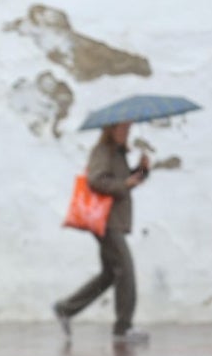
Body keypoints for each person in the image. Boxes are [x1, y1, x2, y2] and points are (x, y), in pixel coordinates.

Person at [53, 121, 151, 341]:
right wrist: (125, 183)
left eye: (128, 130)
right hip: (107, 223)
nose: (126, 133)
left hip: (114, 221)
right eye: (122, 129)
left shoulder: (118, 153)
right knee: (125, 272)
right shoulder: (103, 151)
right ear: (110, 130)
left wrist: (142, 170)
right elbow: (96, 179)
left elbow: (126, 180)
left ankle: (66, 308)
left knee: (110, 274)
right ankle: (123, 327)